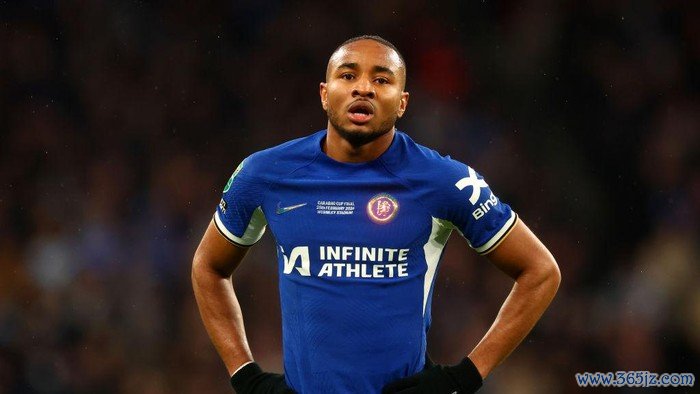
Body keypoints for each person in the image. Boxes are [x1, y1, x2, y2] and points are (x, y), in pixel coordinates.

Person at [192, 35, 561, 394]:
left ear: (402, 103)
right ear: (325, 94)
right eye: (348, 75)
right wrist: (246, 377)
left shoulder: (445, 181)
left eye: (381, 79)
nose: (363, 88)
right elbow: (208, 266)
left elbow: (540, 272)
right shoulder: (265, 174)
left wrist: (463, 377)